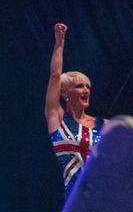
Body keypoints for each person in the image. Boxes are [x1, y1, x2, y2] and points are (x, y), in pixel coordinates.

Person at [44, 22, 103, 196]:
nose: (86, 90)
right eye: (79, 86)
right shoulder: (58, 120)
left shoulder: (103, 124)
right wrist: (59, 43)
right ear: (64, 93)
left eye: (88, 87)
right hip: (77, 199)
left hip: (105, 194)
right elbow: (55, 75)